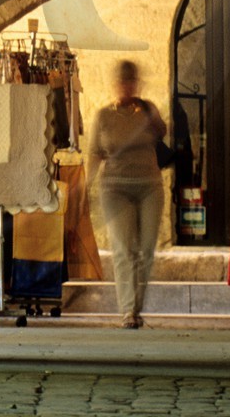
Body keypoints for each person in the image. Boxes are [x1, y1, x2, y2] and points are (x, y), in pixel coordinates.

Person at [87, 58, 168, 329]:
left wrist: (153, 118)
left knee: (145, 249)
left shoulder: (147, 110)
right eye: (123, 82)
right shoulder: (104, 116)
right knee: (123, 248)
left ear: (137, 84)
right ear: (116, 84)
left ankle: (137, 306)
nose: (127, 87)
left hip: (149, 185)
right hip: (115, 187)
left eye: (131, 81)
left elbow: (162, 132)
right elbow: (95, 153)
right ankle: (127, 311)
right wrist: (85, 187)